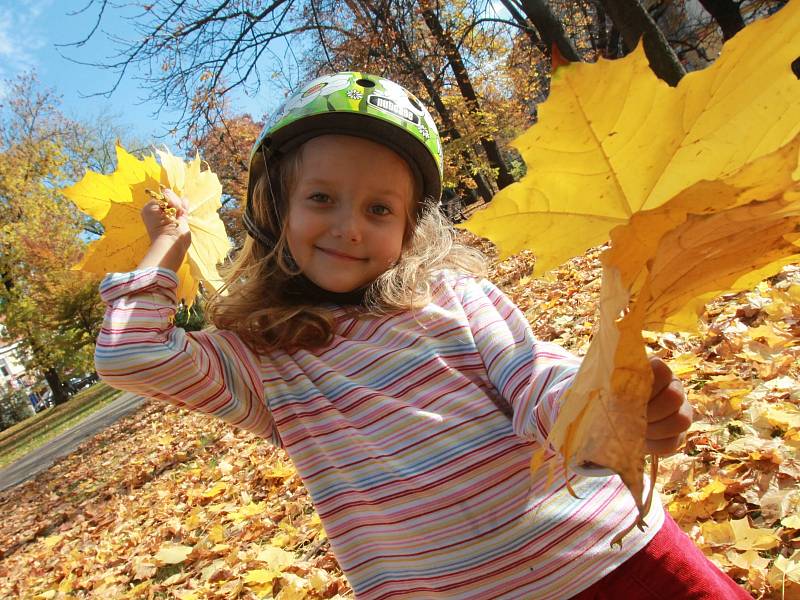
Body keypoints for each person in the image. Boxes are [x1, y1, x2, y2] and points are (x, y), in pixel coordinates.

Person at [95, 72, 745, 599]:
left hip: (607, 556)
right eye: (321, 198)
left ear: (409, 227)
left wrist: (606, 406)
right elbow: (132, 355)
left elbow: (533, 374)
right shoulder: (263, 363)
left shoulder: (450, 298)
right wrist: (167, 247)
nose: (351, 226)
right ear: (276, 212)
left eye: (379, 208)